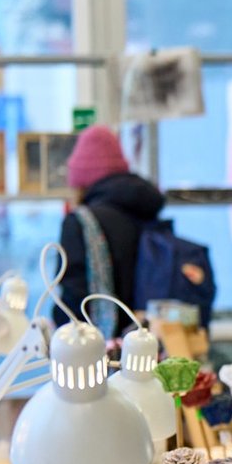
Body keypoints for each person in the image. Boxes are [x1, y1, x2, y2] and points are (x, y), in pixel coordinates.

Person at [53, 124, 164, 336]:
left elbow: (72, 299)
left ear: (81, 180)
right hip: (150, 339)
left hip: (102, 344)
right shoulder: (146, 210)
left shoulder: (81, 222)